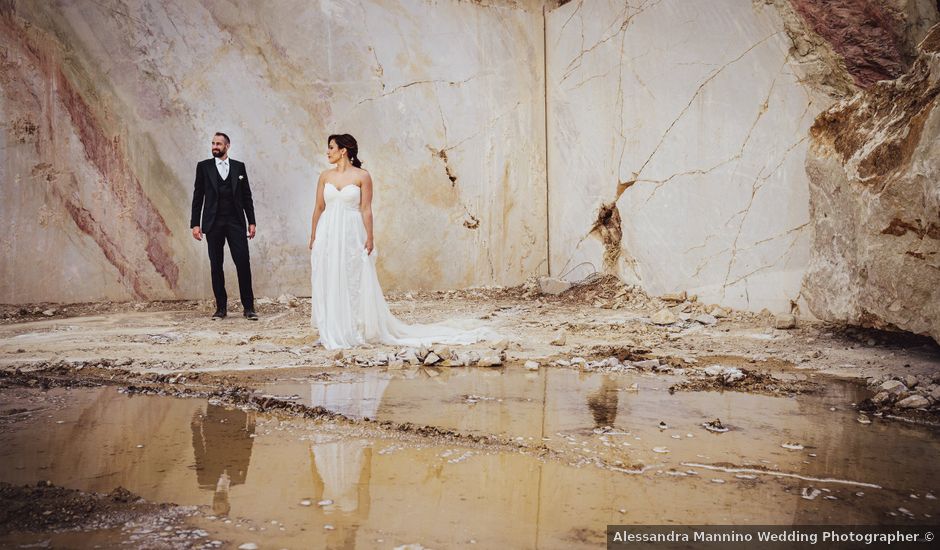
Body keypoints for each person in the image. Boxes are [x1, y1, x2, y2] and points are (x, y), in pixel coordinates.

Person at [309, 133, 494, 349]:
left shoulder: (362, 176)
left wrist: (370, 237)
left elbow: (366, 209)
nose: (327, 152)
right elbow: (319, 208)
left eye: (331, 147)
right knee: (329, 276)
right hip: (328, 231)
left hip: (351, 232)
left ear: (343, 151)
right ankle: (330, 329)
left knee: (353, 278)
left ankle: (354, 329)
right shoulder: (324, 176)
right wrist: (314, 235)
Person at [190, 132, 258, 320]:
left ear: (227, 146)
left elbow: (247, 197)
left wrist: (251, 221)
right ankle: (221, 308)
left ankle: (249, 307)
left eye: (218, 144)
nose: (214, 146)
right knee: (216, 265)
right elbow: (198, 197)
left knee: (243, 262)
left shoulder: (239, 167)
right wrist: (195, 224)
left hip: (236, 221)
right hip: (213, 223)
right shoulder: (203, 167)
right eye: (213, 143)